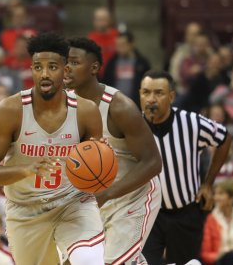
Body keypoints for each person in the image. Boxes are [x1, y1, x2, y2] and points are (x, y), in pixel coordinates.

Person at [0, 32, 105, 265]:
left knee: (89, 260)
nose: (44, 74)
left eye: (52, 67)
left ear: (65, 70)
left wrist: (101, 160)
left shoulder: (86, 111)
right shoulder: (10, 110)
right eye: (38, 67)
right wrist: (26, 170)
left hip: (72, 202)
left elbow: (96, 175)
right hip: (26, 210)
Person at [65, 37, 162, 265]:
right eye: (64, 62)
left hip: (133, 195)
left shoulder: (119, 107)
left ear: (94, 68)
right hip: (92, 197)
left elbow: (153, 162)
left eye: (74, 62)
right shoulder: (63, 105)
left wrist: (107, 194)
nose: (66, 68)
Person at [139, 70, 232, 265]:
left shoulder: (192, 122)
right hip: (148, 214)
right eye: (146, 92)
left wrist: (208, 184)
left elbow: (224, 137)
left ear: (171, 96)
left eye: (158, 93)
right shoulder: (133, 125)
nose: (151, 99)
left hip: (185, 212)